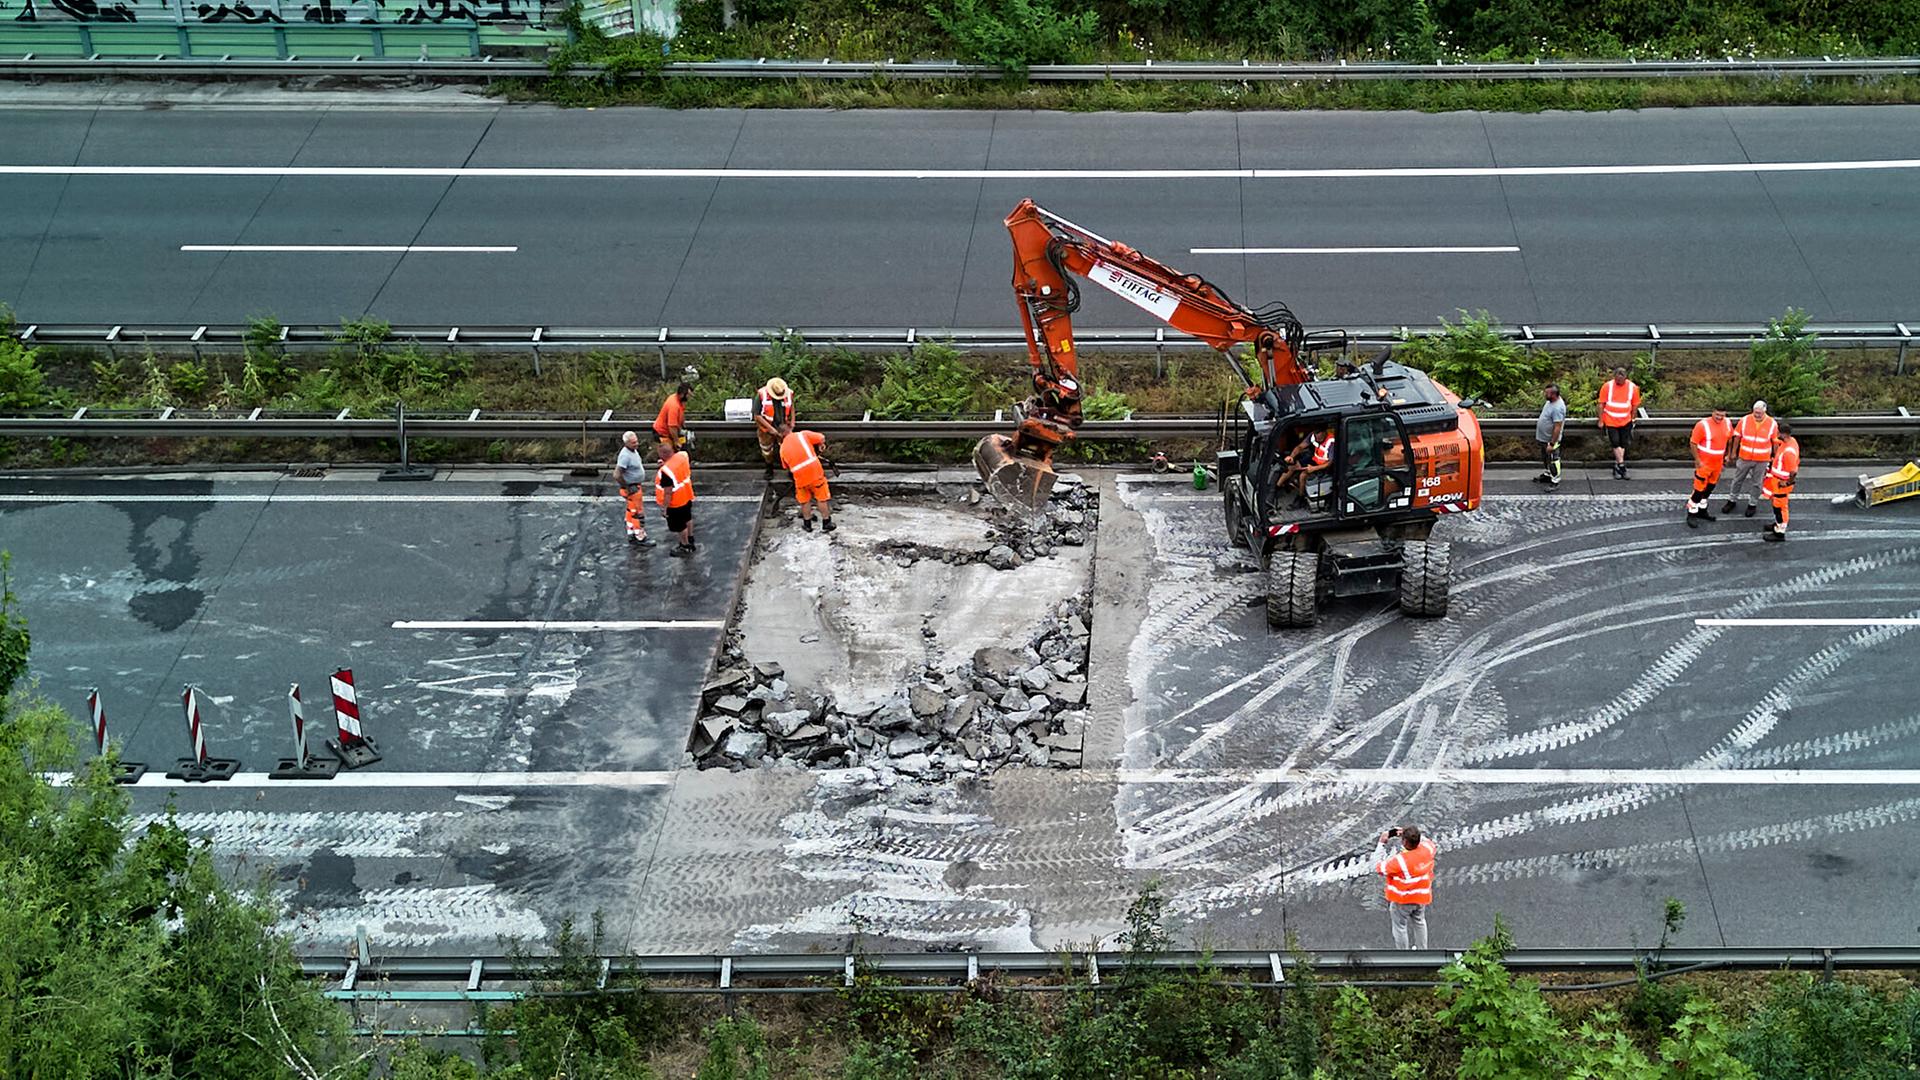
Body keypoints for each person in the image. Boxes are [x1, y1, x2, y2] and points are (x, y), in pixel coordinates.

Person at [1372, 825, 1436, 950]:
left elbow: (1378, 867)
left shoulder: (1400, 861)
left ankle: (1404, 955)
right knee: (1419, 922)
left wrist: (1381, 843)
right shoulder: (1427, 850)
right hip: (1421, 897)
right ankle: (1423, 951)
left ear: (1405, 842)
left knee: (1400, 926)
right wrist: (1412, 835)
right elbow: (1428, 842)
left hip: (1403, 900)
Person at [1721, 400, 1778, 518]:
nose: (1756, 415)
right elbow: (1737, 437)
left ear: (1765, 411)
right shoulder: (1745, 420)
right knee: (1737, 480)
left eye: (1759, 413)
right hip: (1745, 457)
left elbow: (1775, 442)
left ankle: (1752, 504)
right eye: (1755, 412)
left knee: (1757, 483)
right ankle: (1732, 500)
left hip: (1762, 459)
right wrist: (1733, 453)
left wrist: (1775, 457)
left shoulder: (1772, 423)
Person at [1685, 405, 1734, 528]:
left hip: (1717, 463)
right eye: (1717, 415)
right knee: (1698, 489)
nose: (1719, 418)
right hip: (1705, 463)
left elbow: (1729, 439)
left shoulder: (1727, 423)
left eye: (1722, 415)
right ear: (1713, 413)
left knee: (1710, 487)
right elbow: (1693, 443)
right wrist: (1697, 460)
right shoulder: (1702, 425)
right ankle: (1691, 513)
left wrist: (1727, 455)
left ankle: (1702, 510)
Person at [781, 428, 835, 532]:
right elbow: (821, 437)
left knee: (804, 501)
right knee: (821, 498)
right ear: (790, 429)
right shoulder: (802, 435)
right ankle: (826, 522)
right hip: (815, 473)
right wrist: (820, 445)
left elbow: (786, 466)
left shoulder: (782, 449)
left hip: (799, 478)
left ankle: (807, 524)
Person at [1597, 366, 1641, 480]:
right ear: (1614, 377)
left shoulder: (1632, 387)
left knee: (1623, 444)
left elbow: (1635, 404)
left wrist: (1633, 418)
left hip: (1626, 420)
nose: (1619, 382)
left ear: (1625, 378)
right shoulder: (1607, 386)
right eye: (1617, 380)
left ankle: (1617, 466)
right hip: (1611, 420)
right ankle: (1622, 466)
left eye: (1621, 380)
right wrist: (1601, 420)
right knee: (1615, 443)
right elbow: (1601, 403)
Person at [613, 431, 654, 547]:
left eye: (636, 441)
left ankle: (631, 533)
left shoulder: (632, 451)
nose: (637, 444)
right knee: (637, 513)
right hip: (632, 488)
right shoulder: (625, 456)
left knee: (630, 511)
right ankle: (640, 537)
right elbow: (617, 474)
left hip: (634, 487)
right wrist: (627, 486)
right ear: (626, 443)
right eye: (633, 442)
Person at [1761, 422, 1800, 542]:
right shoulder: (1790, 441)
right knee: (1777, 504)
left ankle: (1780, 532)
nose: (1777, 434)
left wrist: (1788, 482)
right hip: (1777, 480)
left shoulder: (1789, 451)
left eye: (1779, 433)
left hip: (1781, 483)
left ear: (1784, 434)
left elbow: (1793, 472)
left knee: (1779, 507)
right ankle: (1777, 525)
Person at [655, 445, 696, 556]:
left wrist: (664, 508)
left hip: (675, 503)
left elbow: (668, 493)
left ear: (663, 455)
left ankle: (685, 546)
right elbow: (678, 470)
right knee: (688, 518)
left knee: (679, 526)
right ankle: (690, 538)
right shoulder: (682, 456)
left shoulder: (666, 472)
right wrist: (666, 464)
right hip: (686, 496)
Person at [756, 377, 795, 467]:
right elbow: (757, 415)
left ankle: (788, 467)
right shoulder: (761, 394)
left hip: (783, 427)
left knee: (787, 449)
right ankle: (769, 467)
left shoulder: (788, 393)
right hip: (766, 428)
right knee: (767, 450)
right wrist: (771, 429)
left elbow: (792, 406)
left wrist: (792, 421)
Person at [1533, 384, 1566, 487]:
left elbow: (1557, 427)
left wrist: (1552, 443)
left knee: (1553, 459)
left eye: (1547, 393)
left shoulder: (1558, 407)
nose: (1544, 394)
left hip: (1551, 440)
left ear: (1554, 395)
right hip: (1544, 438)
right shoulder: (1549, 402)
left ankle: (1555, 479)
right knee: (1546, 457)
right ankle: (1548, 473)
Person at [653, 382, 690, 460]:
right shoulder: (674, 405)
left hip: (671, 432)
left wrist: (682, 428)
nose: (689, 397)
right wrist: (676, 441)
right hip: (663, 433)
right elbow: (672, 426)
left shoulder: (678, 400)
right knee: (669, 456)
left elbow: (680, 416)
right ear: (683, 394)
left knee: (683, 448)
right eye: (688, 395)